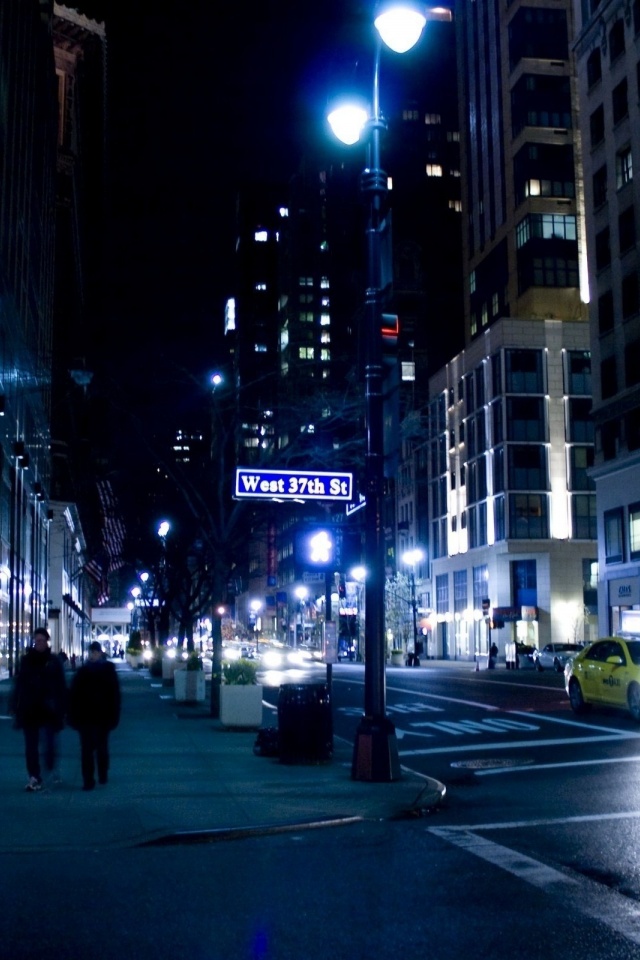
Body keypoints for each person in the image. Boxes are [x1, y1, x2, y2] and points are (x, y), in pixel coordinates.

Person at [10, 627, 67, 792]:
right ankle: (34, 776)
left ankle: (50, 765)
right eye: (36, 640)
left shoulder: (53, 661)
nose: (39, 643)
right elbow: (19, 683)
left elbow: (61, 686)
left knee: (49, 743)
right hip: (30, 709)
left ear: (47, 641)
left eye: (42, 640)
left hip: (48, 710)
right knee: (31, 746)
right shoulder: (27, 660)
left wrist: (62, 707)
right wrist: (15, 704)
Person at [68, 641, 121, 791]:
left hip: (102, 716)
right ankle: (88, 780)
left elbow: (114, 695)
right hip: (86, 716)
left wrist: (114, 714)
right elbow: (74, 695)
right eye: (91, 652)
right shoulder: (83, 672)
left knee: (101, 747)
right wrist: (73, 714)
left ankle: (102, 773)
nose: (92, 655)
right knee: (87, 749)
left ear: (100, 653)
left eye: (95, 652)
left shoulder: (108, 670)